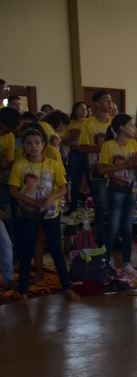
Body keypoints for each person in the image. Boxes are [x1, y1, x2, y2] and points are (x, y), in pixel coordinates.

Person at [7, 127, 78, 305]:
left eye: (37, 143)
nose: (33, 146)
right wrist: (34, 203)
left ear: (43, 145)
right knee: (26, 252)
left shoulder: (53, 164)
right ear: (23, 146)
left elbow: (63, 187)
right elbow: (13, 190)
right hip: (28, 215)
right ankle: (23, 291)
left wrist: (51, 198)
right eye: (29, 143)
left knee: (56, 251)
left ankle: (66, 287)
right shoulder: (20, 165)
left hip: (51, 213)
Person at [99, 114, 137, 274]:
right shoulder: (109, 146)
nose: (134, 128)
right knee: (113, 227)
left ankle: (126, 262)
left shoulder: (133, 144)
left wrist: (136, 163)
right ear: (122, 128)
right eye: (131, 125)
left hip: (131, 191)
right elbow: (102, 169)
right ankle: (104, 260)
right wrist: (125, 164)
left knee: (128, 227)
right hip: (115, 190)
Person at [79, 91, 113, 245]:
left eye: (111, 100)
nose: (110, 103)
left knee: (114, 203)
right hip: (97, 168)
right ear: (97, 104)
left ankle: (112, 233)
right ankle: (100, 234)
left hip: (115, 169)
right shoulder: (89, 124)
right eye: (106, 100)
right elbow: (83, 148)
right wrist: (103, 149)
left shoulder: (113, 123)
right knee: (101, 202)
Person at [63, 101, 90, 213]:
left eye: (85, 108)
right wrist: (71, 137)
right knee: (75, 180)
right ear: (75, 111)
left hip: (87, 152)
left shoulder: (89, 122)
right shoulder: (70, 123)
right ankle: (73, 205)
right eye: (81, 108)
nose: (84, 111)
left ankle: (95, 204)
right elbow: (63, 140)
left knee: (90, 178)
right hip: (74, 152)